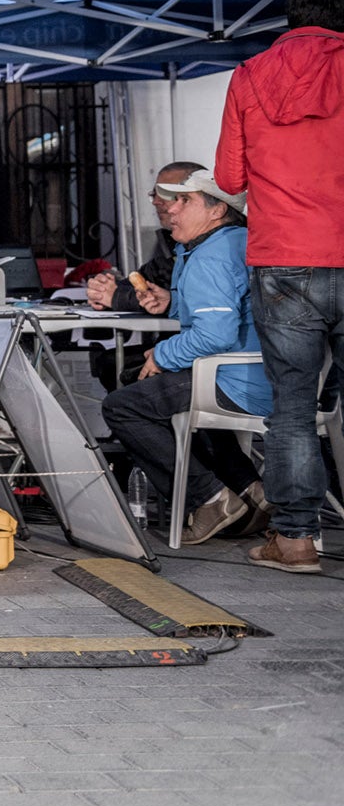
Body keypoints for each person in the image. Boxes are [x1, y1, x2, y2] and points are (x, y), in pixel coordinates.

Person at [216, 0, 344, 574]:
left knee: (292, 406)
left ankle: (295, 542)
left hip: (283, 258)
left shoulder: (249, 76)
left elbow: (229, 180)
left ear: (291, 17)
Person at [100, 169, 267, 545]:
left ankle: (208, 499)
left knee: (122, 406)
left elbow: (215, 333)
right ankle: (251, 491)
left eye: (184, 200)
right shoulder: (234, 242)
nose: (170, 208)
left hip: (236, 380)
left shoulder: (211, 256)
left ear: (217, 210)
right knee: (159, 392)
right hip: (262, 373)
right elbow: (229, 309)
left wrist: (161, 354)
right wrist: (172, 301)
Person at [84, 161, 202, 312]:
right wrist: (102, 291)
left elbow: (199, 303)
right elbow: (148, 285)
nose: (156, 202)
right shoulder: (172, 244)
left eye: (166, 193)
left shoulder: (223, 245)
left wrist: (117, 297)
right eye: (154, 194)